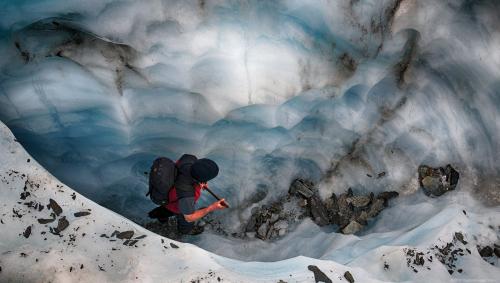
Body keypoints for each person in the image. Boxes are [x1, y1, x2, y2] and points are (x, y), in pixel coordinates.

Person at [148, 154, 228, 235]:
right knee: (185, 220)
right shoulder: (187, 194)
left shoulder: (188, 159)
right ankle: (184, 231)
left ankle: (160, 216)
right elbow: (189, 217)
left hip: (169, 194)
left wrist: (201, 181)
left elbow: (185, 172)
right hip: (178, 203)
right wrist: (211, 208)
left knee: (168, 208)